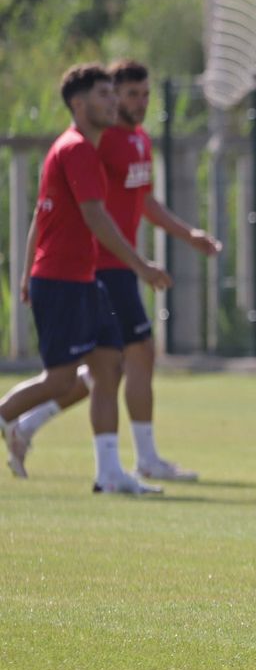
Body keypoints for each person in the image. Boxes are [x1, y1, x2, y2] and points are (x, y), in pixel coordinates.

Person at [5, 60, 222, 481]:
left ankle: (98, 461)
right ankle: (143, 457)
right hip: (102, 267)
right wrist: (138, 264)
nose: (138, 103)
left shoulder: (137, 140)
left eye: (144, 94)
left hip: (105, 270)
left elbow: (142, 201)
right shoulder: (90, 145)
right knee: (109, 364)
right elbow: (69, 211)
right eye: (126, 94)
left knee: (107, 367)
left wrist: (186, 234)